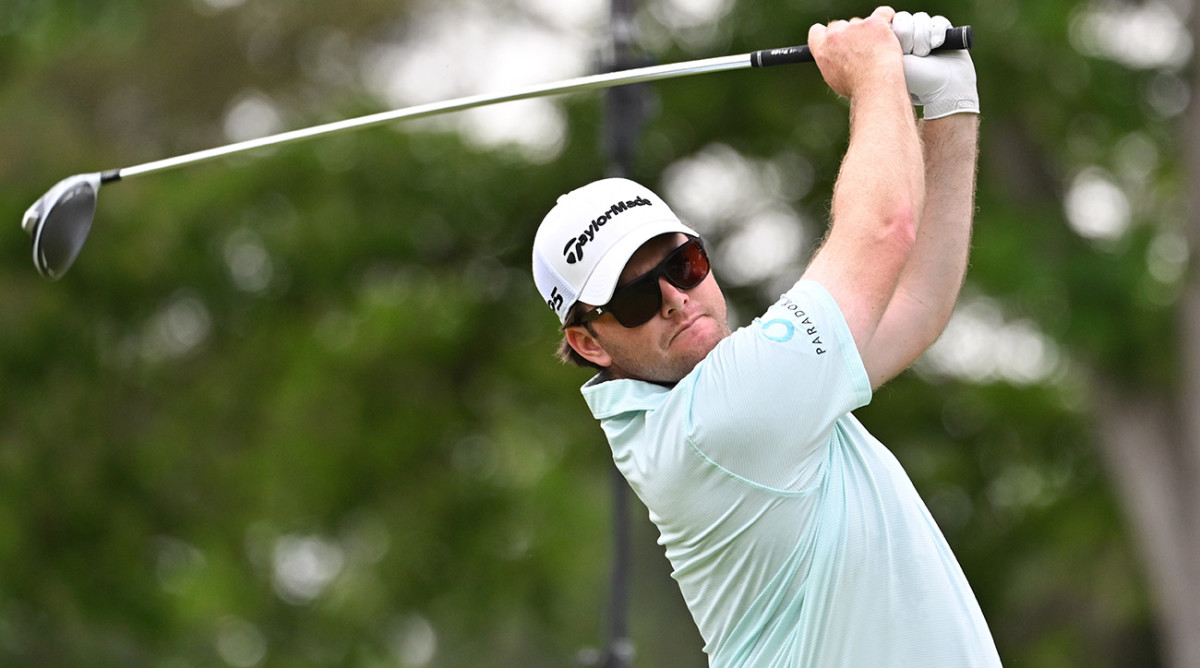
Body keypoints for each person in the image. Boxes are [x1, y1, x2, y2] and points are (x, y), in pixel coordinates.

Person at [531, 7, 996, 666]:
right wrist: (873, 76)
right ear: (589, 345)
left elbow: (916, 305)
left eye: (682, 265)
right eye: (635, 296)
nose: (674, 299)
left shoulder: (756, 398)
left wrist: (949, 105)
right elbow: (884, 230)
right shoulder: (712, 421)